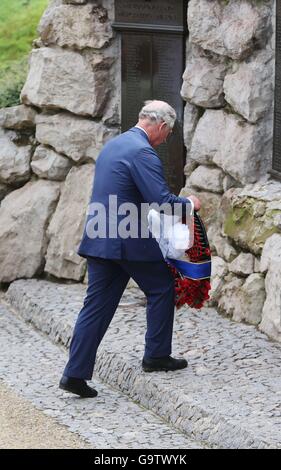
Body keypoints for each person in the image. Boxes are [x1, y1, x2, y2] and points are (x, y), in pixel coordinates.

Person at [59, 100, 201, 398]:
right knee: (162, 286)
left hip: (100, 236)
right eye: (168, 134)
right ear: (161, 126)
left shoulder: (115, 145)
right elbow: (161, 201)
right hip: (127, 239)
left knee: (95, 307)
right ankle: (156, 356)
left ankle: (74, 374)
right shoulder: (143, 152)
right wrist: (189, 205)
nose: (165, 139)